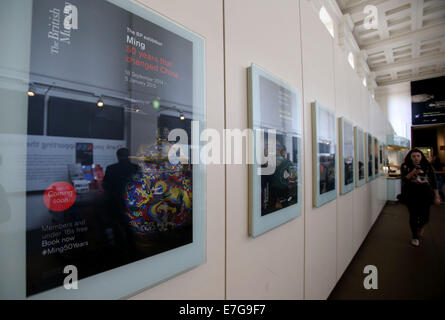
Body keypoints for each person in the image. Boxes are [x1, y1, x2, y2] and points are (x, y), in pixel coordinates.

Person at [401, 149, 441, 247]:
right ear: (410, 157)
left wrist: (437, 196)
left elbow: (433, 182)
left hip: (425, 194)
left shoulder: (428, 166)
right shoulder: (405, 166)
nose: (416, 158)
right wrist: (413, 172)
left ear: (421, 156)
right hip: (411, 194)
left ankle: (420, 226)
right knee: (413, 216)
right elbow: (404, 179)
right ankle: (415, 237)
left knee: (425, 217)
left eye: (418, 156)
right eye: (413, 156)